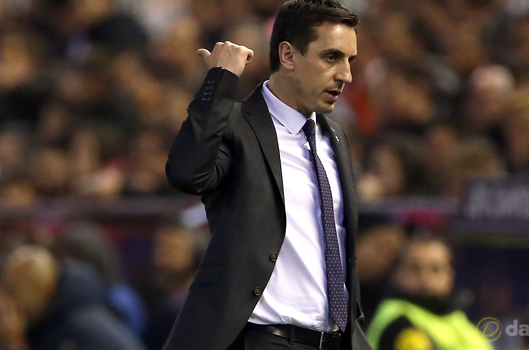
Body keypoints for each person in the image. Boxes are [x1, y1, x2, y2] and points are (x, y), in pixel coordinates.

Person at [164, 0, 372, 349]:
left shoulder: (335, 136)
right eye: (331, 57)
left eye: (349, 61)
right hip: (261, 338)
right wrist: (220, 80)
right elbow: (187, 174)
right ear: (288, 56)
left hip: (334, 339)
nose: (346, 75)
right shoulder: (234, 123)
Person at [0, 246, 146, 350]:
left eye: (14, 288)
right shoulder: (52, 321)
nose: (12, 299)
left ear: (43, 286)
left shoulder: (75, 331)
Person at [366, 235, 493, 350]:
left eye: (436, 269)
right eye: (414, 269)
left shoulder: (457, 320)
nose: (425, 278)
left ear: (450, 275)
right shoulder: (399, 324)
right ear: (396, 274)